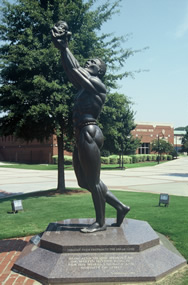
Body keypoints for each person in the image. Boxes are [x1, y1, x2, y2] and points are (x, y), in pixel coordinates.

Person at [51, 21, 130, 233]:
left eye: (93, 62)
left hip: (90, 132)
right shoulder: (82, 88)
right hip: (80, 135)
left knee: (93, 181)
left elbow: (76, 69)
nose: (89, 61)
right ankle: (120, 207)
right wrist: (62, 49)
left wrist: (65, 46)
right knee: (84, 181)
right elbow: (71, 70)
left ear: (100, 71)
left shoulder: (98, 85)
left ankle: (100, 223)